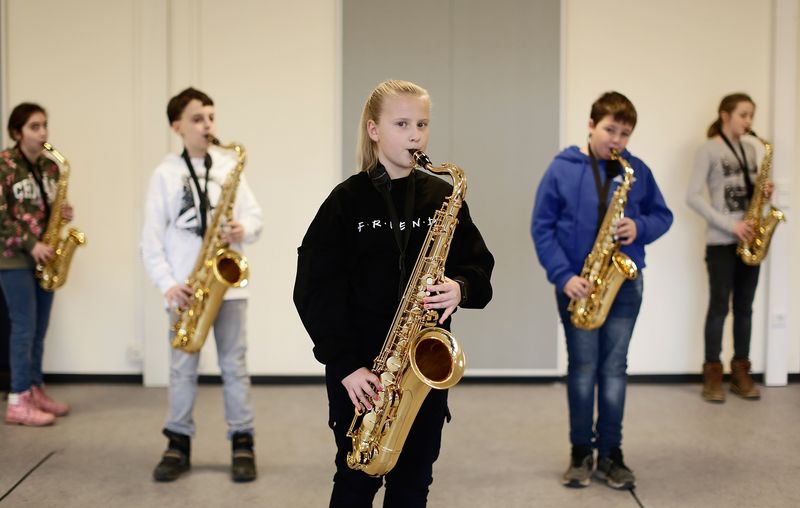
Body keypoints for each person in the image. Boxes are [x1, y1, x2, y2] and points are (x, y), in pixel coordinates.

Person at [293, 79, 494, 507]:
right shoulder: (345, 203)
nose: (415, 135)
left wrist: (460, 287)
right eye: (402, 123)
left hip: (420, 367)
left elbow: (480, 267)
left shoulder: (444, 195)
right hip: (361, 374)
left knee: (414, 482)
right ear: (374, 130)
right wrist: (346, 365)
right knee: (356, 478)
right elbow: (313, 290)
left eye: (422, 124)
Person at [531, 91, 673, 490]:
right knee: (582, 370)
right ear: (591, 125)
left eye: (625, 133)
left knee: (614, 369)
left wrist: (639, 228)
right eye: (611, 129)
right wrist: (563, 275)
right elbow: (541, 227)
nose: (617, 140)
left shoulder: (636, 170)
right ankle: (581, 452)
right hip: (578, 284)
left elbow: (663, 215)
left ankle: (611, 453)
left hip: (624, 284)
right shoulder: (562, 168)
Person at [141, 87, 262, 482]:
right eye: (197, 118)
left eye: (210, 116)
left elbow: (255, 216)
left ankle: (242, 442)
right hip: (185, 289)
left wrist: (244, 228)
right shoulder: (165, 174)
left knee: (235, 366)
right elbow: (150, 239)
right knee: (181, 369)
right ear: (177, 127)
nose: (207, 124)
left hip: (228, 287)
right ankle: (177, 442)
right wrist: (168, 285)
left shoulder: (229, 166)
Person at [686, 93, 770, 403]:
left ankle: (741, 371)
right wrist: (729, 224)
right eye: (743, 115)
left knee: (745, 309)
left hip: (750, 239)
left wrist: (764, 191)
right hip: (722, 241)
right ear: (725, 115)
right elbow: (692, 196)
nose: (749, 121)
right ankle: (712, 373)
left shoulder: (750, 150)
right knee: (719, 307)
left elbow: (751, 195)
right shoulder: (708, 149)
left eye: (751, 116)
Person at [0, 103, 73, 426]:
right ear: (17, 132)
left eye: (44, 125)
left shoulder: (50, 167)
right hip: (13, 256)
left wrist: (63, 213)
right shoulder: (4, 165)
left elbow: (48, 207)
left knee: (39, 329)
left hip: (45, 256)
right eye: (34, 126)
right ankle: (17, 400)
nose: (43, 132)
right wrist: (32, 244)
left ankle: (35, 388)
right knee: (24, 328)